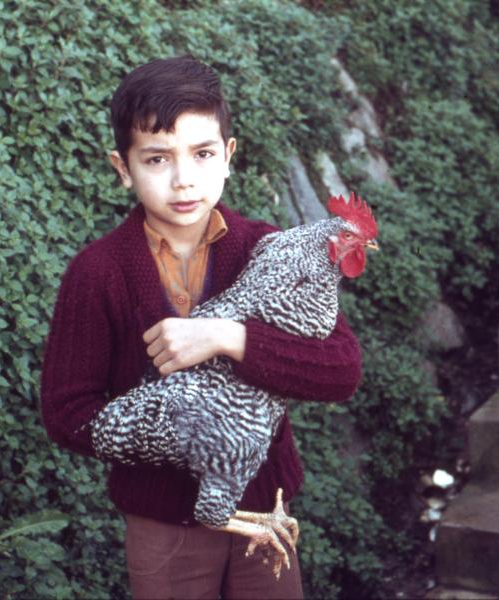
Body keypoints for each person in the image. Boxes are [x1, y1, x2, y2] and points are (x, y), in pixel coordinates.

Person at [39, 55, 361, 599]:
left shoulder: (269, 250)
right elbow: (66, 411)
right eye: (158, 159)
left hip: (265, 507)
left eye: (203, 153)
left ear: (229, 156)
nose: (184, 179)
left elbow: (341, 370)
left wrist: (226, 338)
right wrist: (176, 431)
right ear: (123, 168)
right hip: (163, 522)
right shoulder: (97, 274)